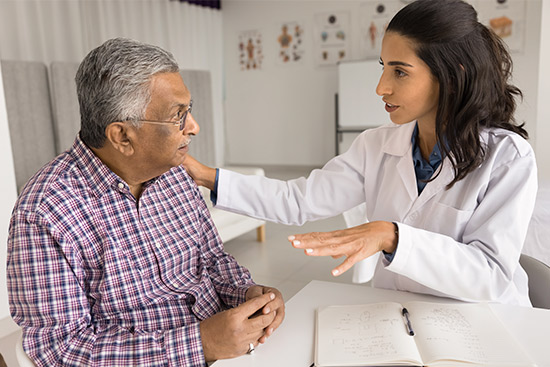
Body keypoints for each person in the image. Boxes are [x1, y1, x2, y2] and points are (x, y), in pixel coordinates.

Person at [183, 0, 538, 307]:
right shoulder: (376, 145)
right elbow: (298, 201)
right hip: (401, 312)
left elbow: (490, 275)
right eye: (382, 67)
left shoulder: (507, 158)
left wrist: (392, 236)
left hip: (485, 318)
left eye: (400, 71)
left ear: (452, 75)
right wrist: (203, 174)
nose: (381, 87)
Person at [7, 38, 284, 367]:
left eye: (189, 110)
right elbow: (60, 349)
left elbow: (212, 261)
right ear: (122, 136)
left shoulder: (175, 174)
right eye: (177, 116)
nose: (193, 127)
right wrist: (201, 342)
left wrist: (250, 295)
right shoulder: (45, 211)